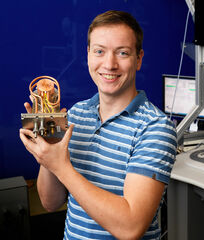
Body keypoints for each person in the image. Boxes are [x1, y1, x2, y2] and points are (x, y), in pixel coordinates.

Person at [19, 10, 177, 240]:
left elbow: (130, 228)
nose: (109, 64)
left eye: (122, 53)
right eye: (99, 51)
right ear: (88, 55)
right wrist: (49, 147)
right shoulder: (76, 114)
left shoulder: (156, 128)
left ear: (139, 58)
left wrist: (61, 166)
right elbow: (50, 202)